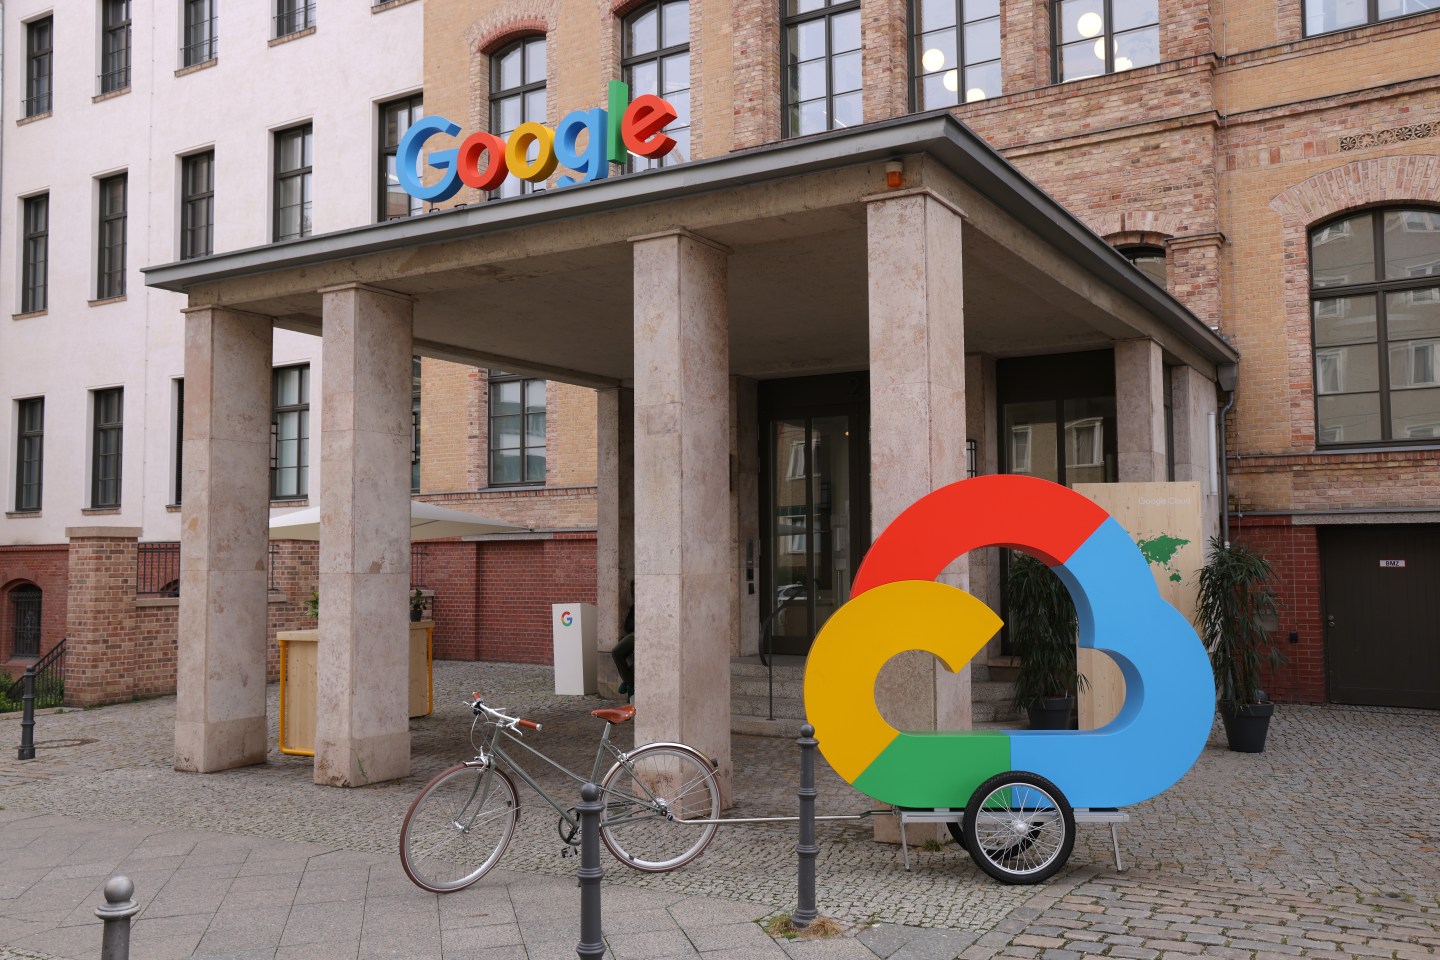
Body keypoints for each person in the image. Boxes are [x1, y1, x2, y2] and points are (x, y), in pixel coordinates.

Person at [612, 601, 635, 701]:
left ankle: (629, 685)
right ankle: (629, 682)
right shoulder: (635, 605)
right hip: (635, 632)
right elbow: (628, 624)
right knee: (616, 652)